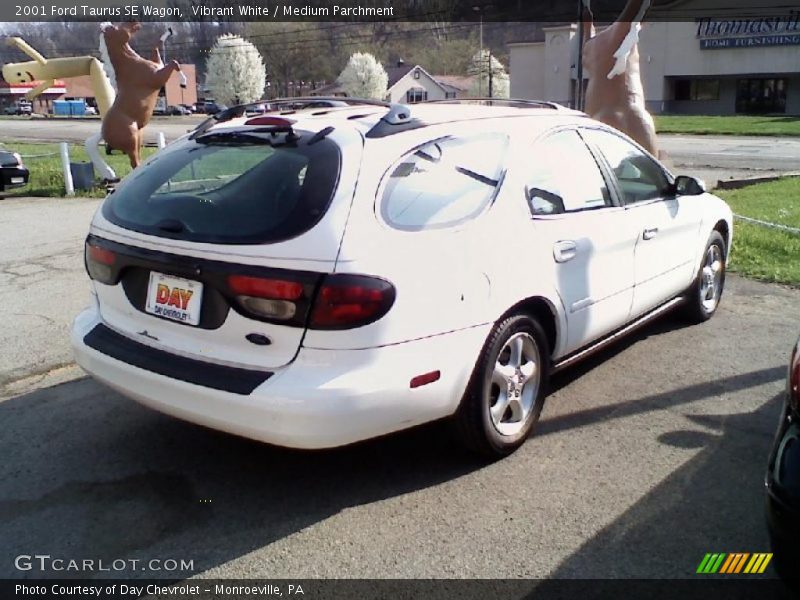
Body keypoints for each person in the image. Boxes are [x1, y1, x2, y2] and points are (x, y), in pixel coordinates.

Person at [581, 0, 659, 156]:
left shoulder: (588, 48)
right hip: (635, 116)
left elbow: (588, 33)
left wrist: (587, 24)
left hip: (599, 116)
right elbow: (637, 7)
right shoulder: (622, 34)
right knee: (651, 177)